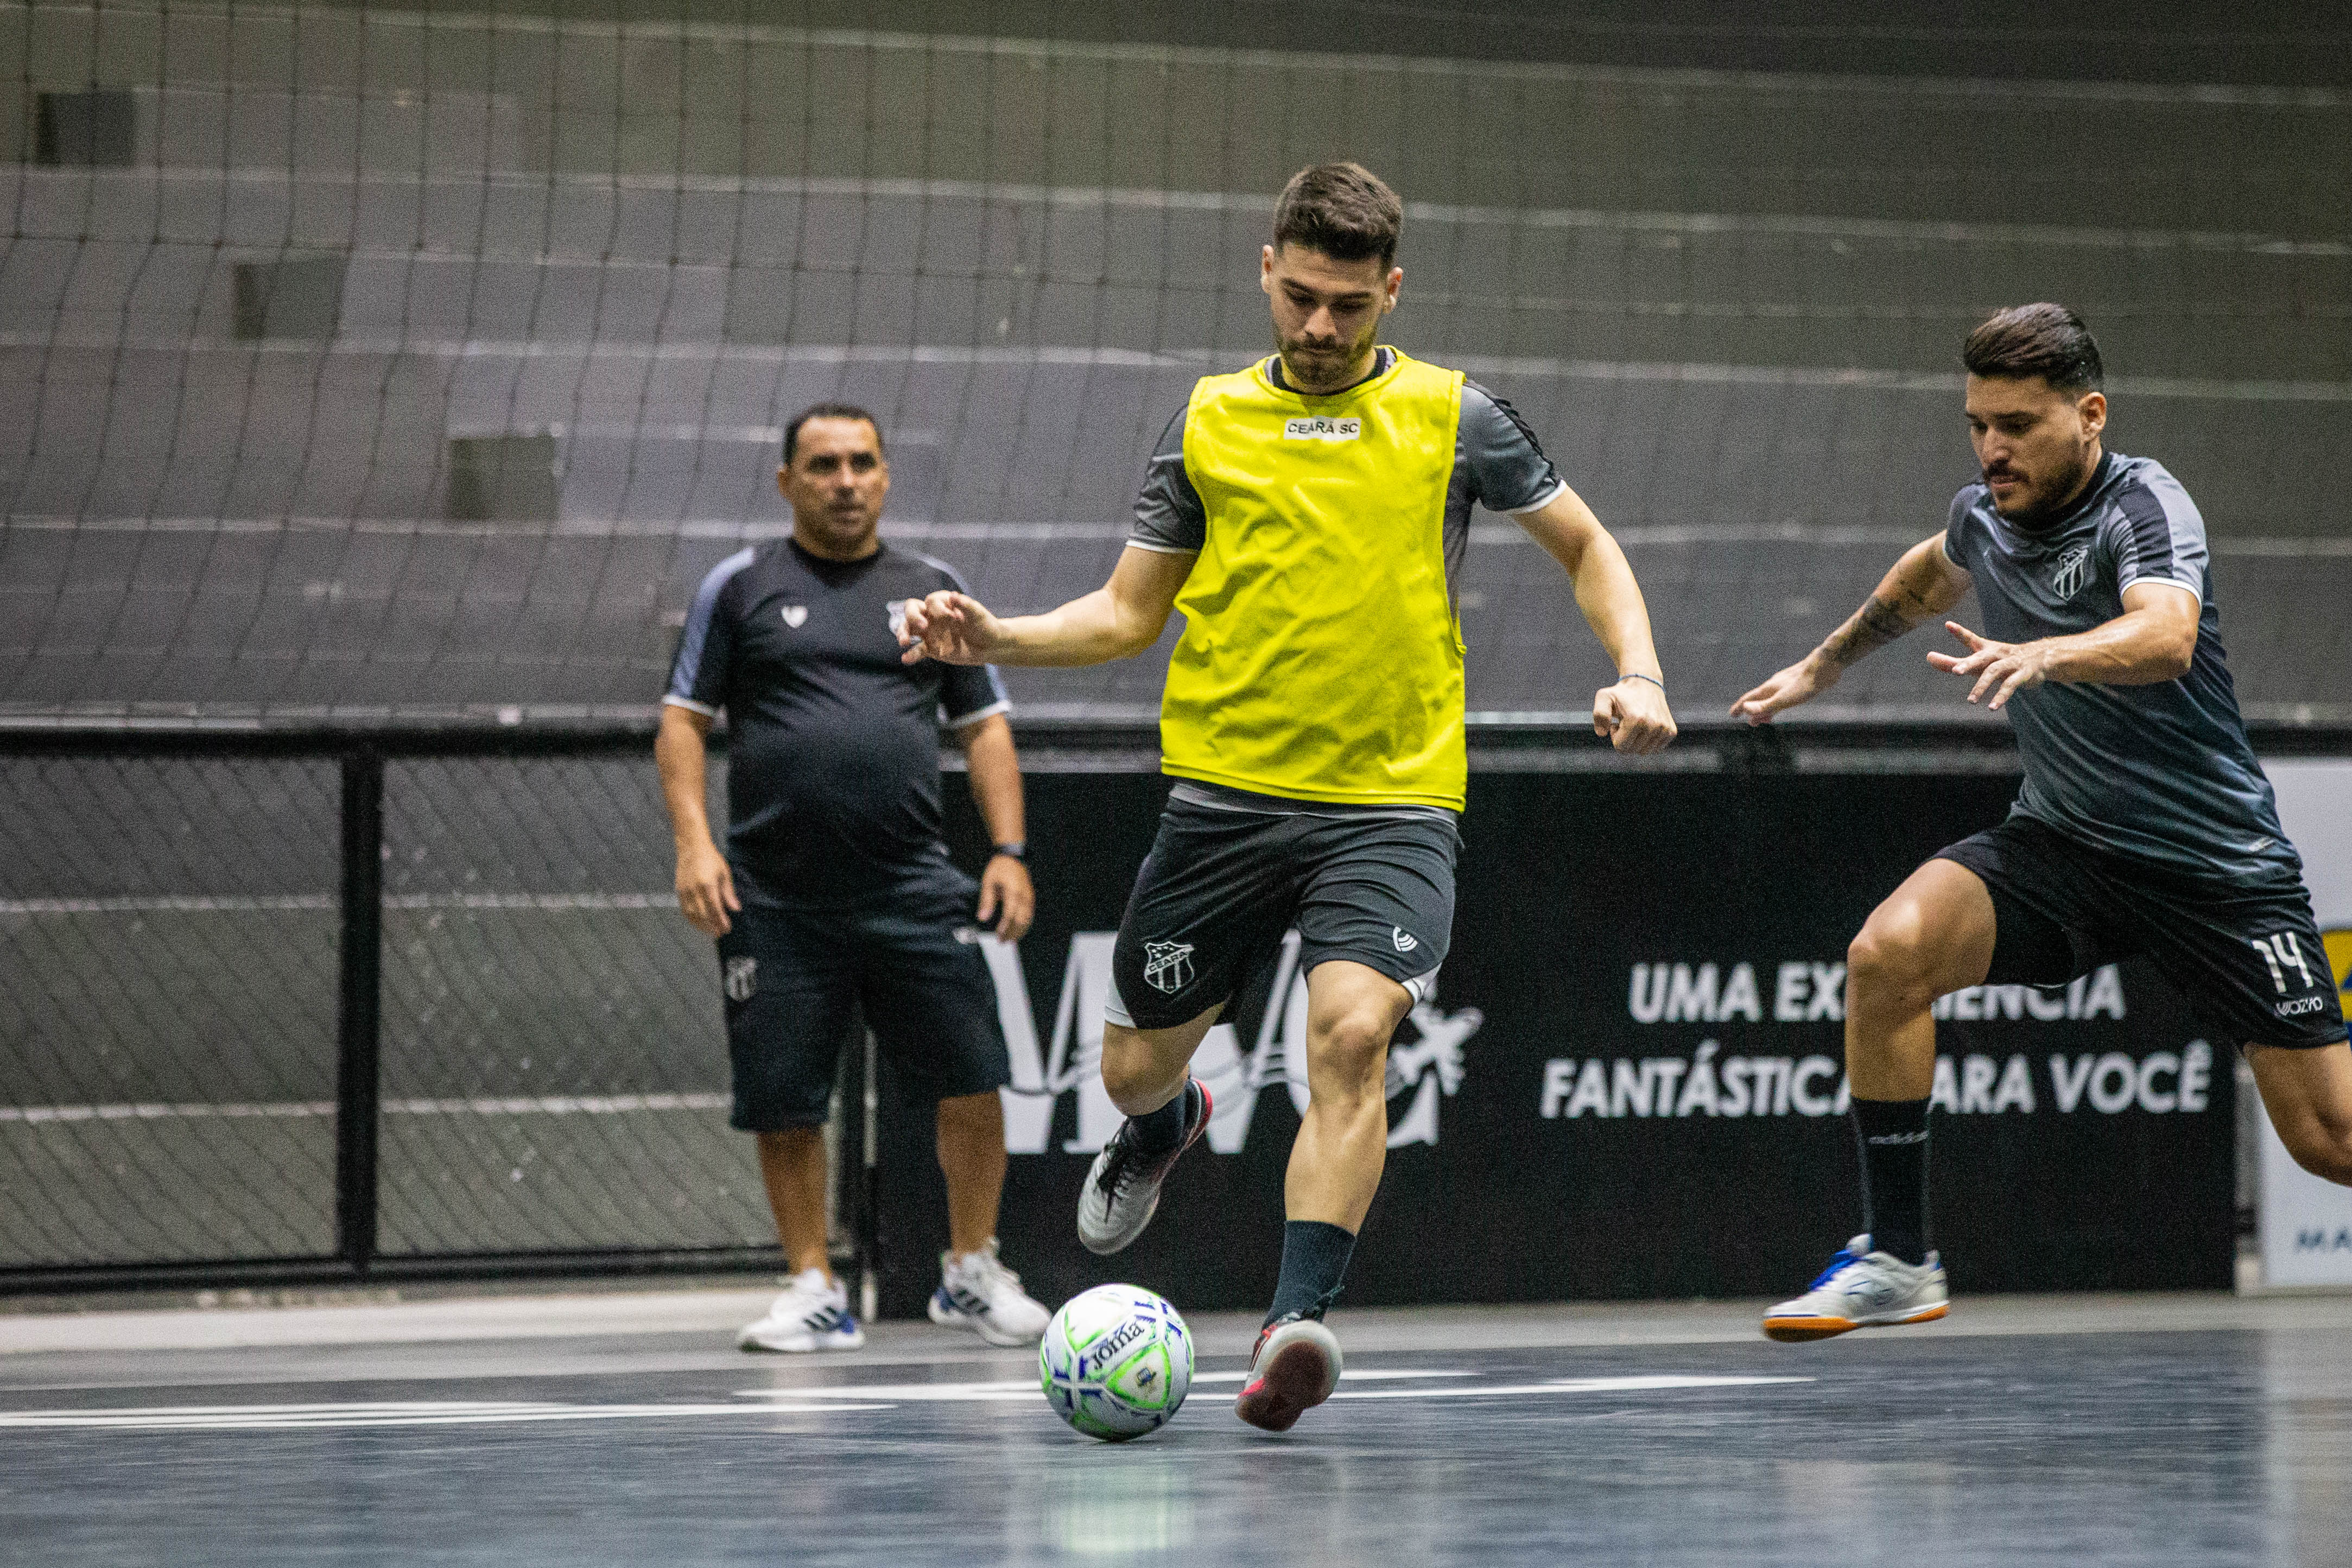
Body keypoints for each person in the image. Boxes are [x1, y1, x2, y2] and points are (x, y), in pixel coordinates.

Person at [900, 163, 1676, 1429]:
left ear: (1391, 292)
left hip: (1392, 802)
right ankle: (1164, 1124)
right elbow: (1123, 613)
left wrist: (1636, 670)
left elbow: (1588, 543)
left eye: (1349, 306)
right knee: (1132, 1065)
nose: (1321, 328)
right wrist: (992, 633)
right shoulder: (1205, 423)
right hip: (1221, 801)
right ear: (1266, 269)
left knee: (1354, 1038)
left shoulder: (1456, 417)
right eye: (1303, 296)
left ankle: (1293, 1322)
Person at [1732, 303, 2352, 1341]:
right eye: (1977, 422)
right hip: (2064, 846)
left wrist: (2047, 653)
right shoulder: (1984, 510)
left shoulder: (2143, 506)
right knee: (1887, 954)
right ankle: (1896, 1260)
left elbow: (2165, 633)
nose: (1991, 447)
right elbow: (1926, 574)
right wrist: (1818, 666)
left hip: (2213, 867)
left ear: (2089, 415)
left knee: (2329, 1139)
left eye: (2016, 424)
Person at [657, 403, 1053, 1353]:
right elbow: (682, 720)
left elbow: (984, 725)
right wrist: (693, 846)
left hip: (912, 885)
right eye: (824, 464)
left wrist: (1008, 852)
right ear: (788, 480)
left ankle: (968, 1270)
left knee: (973, 1075)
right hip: (775, 895)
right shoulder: (740, 586)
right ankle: (812, 1287)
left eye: (862, 463)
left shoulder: (932, 588)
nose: (845, 479)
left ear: (885, 477)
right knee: (786, 1096)